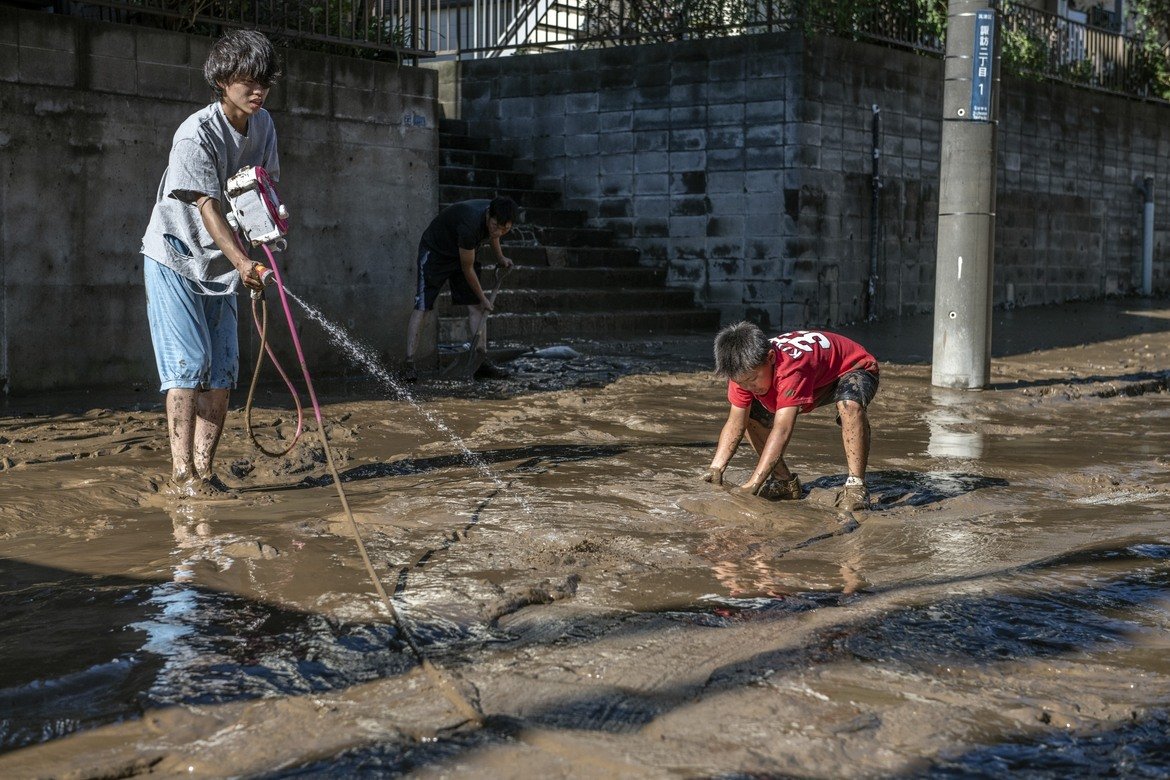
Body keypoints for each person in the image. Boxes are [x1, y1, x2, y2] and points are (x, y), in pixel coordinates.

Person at [140, 30, 281, 499]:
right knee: (189, 365)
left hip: (225, 264)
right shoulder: (195, 133)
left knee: (222, 370)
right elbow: (207, 205)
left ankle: (205, 471)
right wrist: (245, 262)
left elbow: (258, 191)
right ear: (222, 81)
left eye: (264, 80)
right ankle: (182, 476)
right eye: (248, 80)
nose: (257, 90)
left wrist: (269, 239)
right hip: (176, 256)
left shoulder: (263, 126)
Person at [701, 322, 880, 511]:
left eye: (752, 380)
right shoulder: (742, 370)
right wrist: (716, 468)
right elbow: (736, 422)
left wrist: (753, 484)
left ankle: (856, 485)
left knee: (849, 403)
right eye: (741, 383)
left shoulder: (790, 369)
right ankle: (784, 482)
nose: (748, 387)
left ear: (770, 358)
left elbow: (783, 429)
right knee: (751, 416)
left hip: (853, 368)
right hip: (816, 376)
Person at [404, 197, 518, 381]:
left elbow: (494, 235)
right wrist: (483, 298)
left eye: (505, 228)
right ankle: (409, 365)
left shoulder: (497, 217)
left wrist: (500, 257)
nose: (499, 231)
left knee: (476, 308)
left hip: (462, 253)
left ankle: (481, 362)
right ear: (488, 214)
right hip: (436, 253)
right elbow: (467, 269)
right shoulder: (470, 224)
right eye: (496, 225)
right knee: (423, 306)